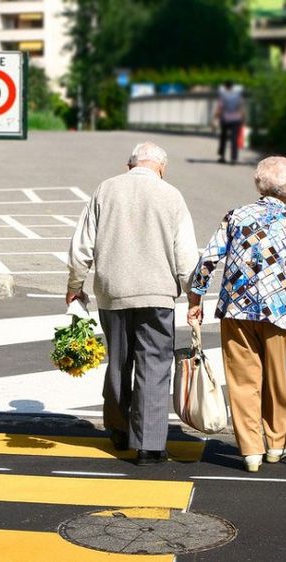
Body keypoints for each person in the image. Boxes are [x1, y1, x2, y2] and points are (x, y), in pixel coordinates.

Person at [66, 141, 199, 466]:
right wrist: (194, 296)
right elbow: (186, 256)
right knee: (154, 366)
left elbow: (81, 245)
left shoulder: (105, 190)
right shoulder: (171, 196)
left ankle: (119, 428)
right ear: (161, 168)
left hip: (113, 293)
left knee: (118, 362)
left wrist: (74, 285)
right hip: (157, 296)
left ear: (130, 165)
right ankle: (150, 446)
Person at [187, 156, 286, 472]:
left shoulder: (236, 216)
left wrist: (196, 297)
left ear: (259, 183)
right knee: (275, 378)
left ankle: (250, 452)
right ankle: (276, 444)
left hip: (236, 308)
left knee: (243, 381)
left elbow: (208, 258)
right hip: (278, 310)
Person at [215, 80, 244, 165]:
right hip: (236, 120)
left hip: (225, 119)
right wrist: (243, 118)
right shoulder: (238, 94)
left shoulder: (223, 94)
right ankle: (233, 158)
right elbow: (241, 107)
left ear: (225, 87)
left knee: (223, 138)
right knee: (234, 139)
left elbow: (220, 107)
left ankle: (222, 157)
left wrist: (215, 118)